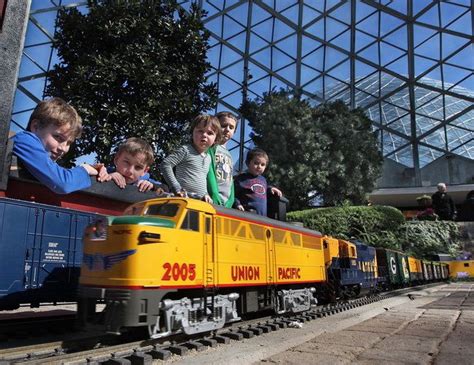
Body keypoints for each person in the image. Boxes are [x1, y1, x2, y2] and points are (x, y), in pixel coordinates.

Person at [12, 97, 103, 194]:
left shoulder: (43, 158)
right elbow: (62, 183)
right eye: (58, 137)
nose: (63, 148)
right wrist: (85, 169)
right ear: (35, 127)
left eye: (68, 143)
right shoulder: (24, 140)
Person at [160, 114, 221, 202]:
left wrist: (206, 194)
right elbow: (165, 164)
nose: (204, 135)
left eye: (210, 133)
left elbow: (202, 180)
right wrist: (176, 187)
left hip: (198, 201)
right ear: (192, 133)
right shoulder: (186, 150)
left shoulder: (208, 158)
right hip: (181, 199)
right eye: (200, 131)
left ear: (215, 139)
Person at [234, 148, 282, 216]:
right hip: (246, 215)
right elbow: (234, 194)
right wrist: (237, 204)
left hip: (262, 217)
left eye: (262, 165)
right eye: (256, 163)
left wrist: (271, 189)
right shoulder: (241, 178)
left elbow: (264, 189)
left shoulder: (263, 180)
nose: (259, 166)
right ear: (248, 163)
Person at [207, 111, 238, 208]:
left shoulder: (229, 155)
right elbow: (209, 171)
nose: (227, 129)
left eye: (231, 127)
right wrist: (214, 193)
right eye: (224, 125)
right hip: (212, 199)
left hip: (226, 203)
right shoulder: (210, 148)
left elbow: (231, 179)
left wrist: (231, 199)